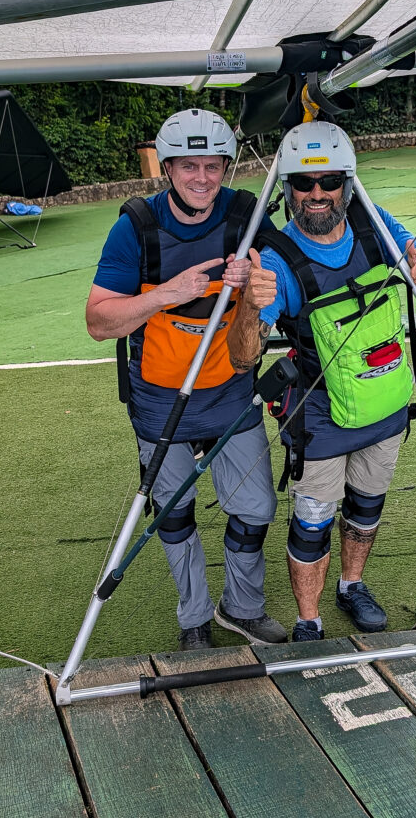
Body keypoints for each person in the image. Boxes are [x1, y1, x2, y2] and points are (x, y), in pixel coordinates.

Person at [227, 121, 416, 642]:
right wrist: (250, 301)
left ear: (347, 185)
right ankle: (310, 620)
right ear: (286, 191)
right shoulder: (278, 258)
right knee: (312, 521)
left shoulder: (375, 225)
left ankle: (351, 586)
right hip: (320, 418)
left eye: (329, 181)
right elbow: (243, 358)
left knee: (367, 507)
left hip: (386, 402)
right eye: (304, 184)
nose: (317, 194)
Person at [86, 108, 287, 651]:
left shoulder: (246, 214)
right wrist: (165, 295)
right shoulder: (137, 226)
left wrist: (260, 281)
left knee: (256, 508)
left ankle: (241, 609)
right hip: (159, 399)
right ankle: (193, 616)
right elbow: (98, 323)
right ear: (167, 168)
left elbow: (288, 275)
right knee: (173, 513)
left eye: (213, 166)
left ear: (227, 166)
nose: (202, 178)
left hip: (230, 391)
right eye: (188, 166)